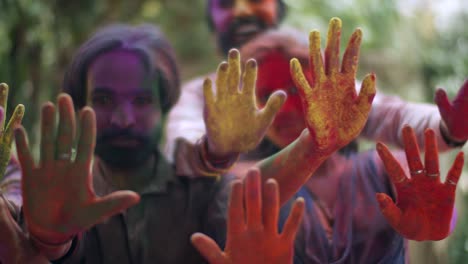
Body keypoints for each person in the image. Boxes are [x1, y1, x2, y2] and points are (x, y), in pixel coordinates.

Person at [1, 21, 370, 263]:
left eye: (142, 100)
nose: (125, 118)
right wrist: (47, 241)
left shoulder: (203, 188)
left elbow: (249, 194)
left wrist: (317, 145)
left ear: (166, 105)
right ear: (80, 104)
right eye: (104, 100)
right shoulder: (46, 193)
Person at [164, 0, 467, 169]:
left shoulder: (318, 71)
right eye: (226, 3)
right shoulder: (202, 95)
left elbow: (389, 114)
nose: (242, 11)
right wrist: (215, 150)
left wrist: (446, 127)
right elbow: (181, 145)